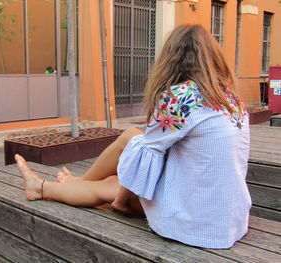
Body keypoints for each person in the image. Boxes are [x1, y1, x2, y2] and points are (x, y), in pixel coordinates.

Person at [15, 24, 251, 249]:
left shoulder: (181, 97)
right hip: (229, 218)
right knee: (131, 136)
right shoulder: (230, 98)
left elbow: (147, 159)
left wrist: (121, 198)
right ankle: (78, 182)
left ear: (171, 58)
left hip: (194, 222)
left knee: (111, 185)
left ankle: (42, 188)